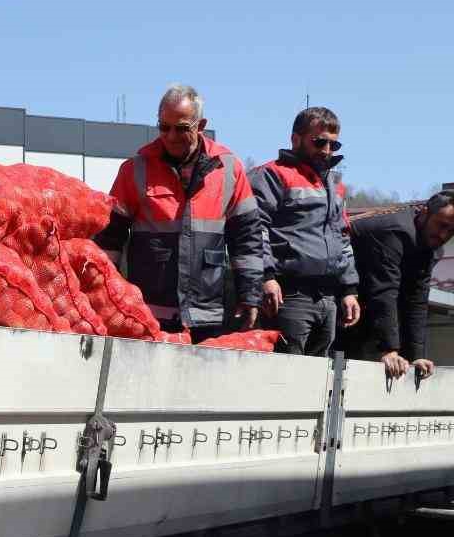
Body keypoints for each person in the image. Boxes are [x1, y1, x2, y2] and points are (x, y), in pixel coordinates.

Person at [95, 84, 264, 341]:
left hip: (207, 313)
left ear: (201, 125)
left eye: (182, 128)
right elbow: (110, 239)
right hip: (150, 312)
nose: (171, 136)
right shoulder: (135, 169)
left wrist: (250, 293)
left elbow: (247, 238)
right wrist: (104, 294)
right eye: (164, 127)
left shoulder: (229, 168)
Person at [250, 106, 361, 355]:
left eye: (334, 145)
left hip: (329, 299)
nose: (327, 150)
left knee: (318, 383)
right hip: (288, 297)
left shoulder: (335, 185)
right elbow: (256, 230)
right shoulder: (272, 175)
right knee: (284, 378)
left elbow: (342, 237)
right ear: (295, 139)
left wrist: (349, 290)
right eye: (319, 142)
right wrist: (266, 277)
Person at [346, 190, 454, 379]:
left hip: (365, 304)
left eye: (452, 231)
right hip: (334, 295)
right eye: (442, 225)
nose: (444, 235)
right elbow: (384, 291)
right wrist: (389, 350)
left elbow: (417, 300)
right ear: (424, 213)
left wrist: (415, 356)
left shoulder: (431, 249)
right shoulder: (394, 232)